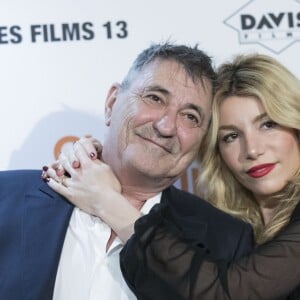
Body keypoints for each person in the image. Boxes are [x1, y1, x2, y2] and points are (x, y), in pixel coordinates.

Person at [0, 42, 253, 300]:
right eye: (154, 98)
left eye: (190, 117)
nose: (166, 126)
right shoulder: (6, 198)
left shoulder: (225, 242)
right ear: (111, 103)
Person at [48, 53, 300, 299]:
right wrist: (95, 159)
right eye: (231, 136)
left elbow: (228, 291)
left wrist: (107, 201)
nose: (253, 150)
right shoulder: (235, 229)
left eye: (268, 125)